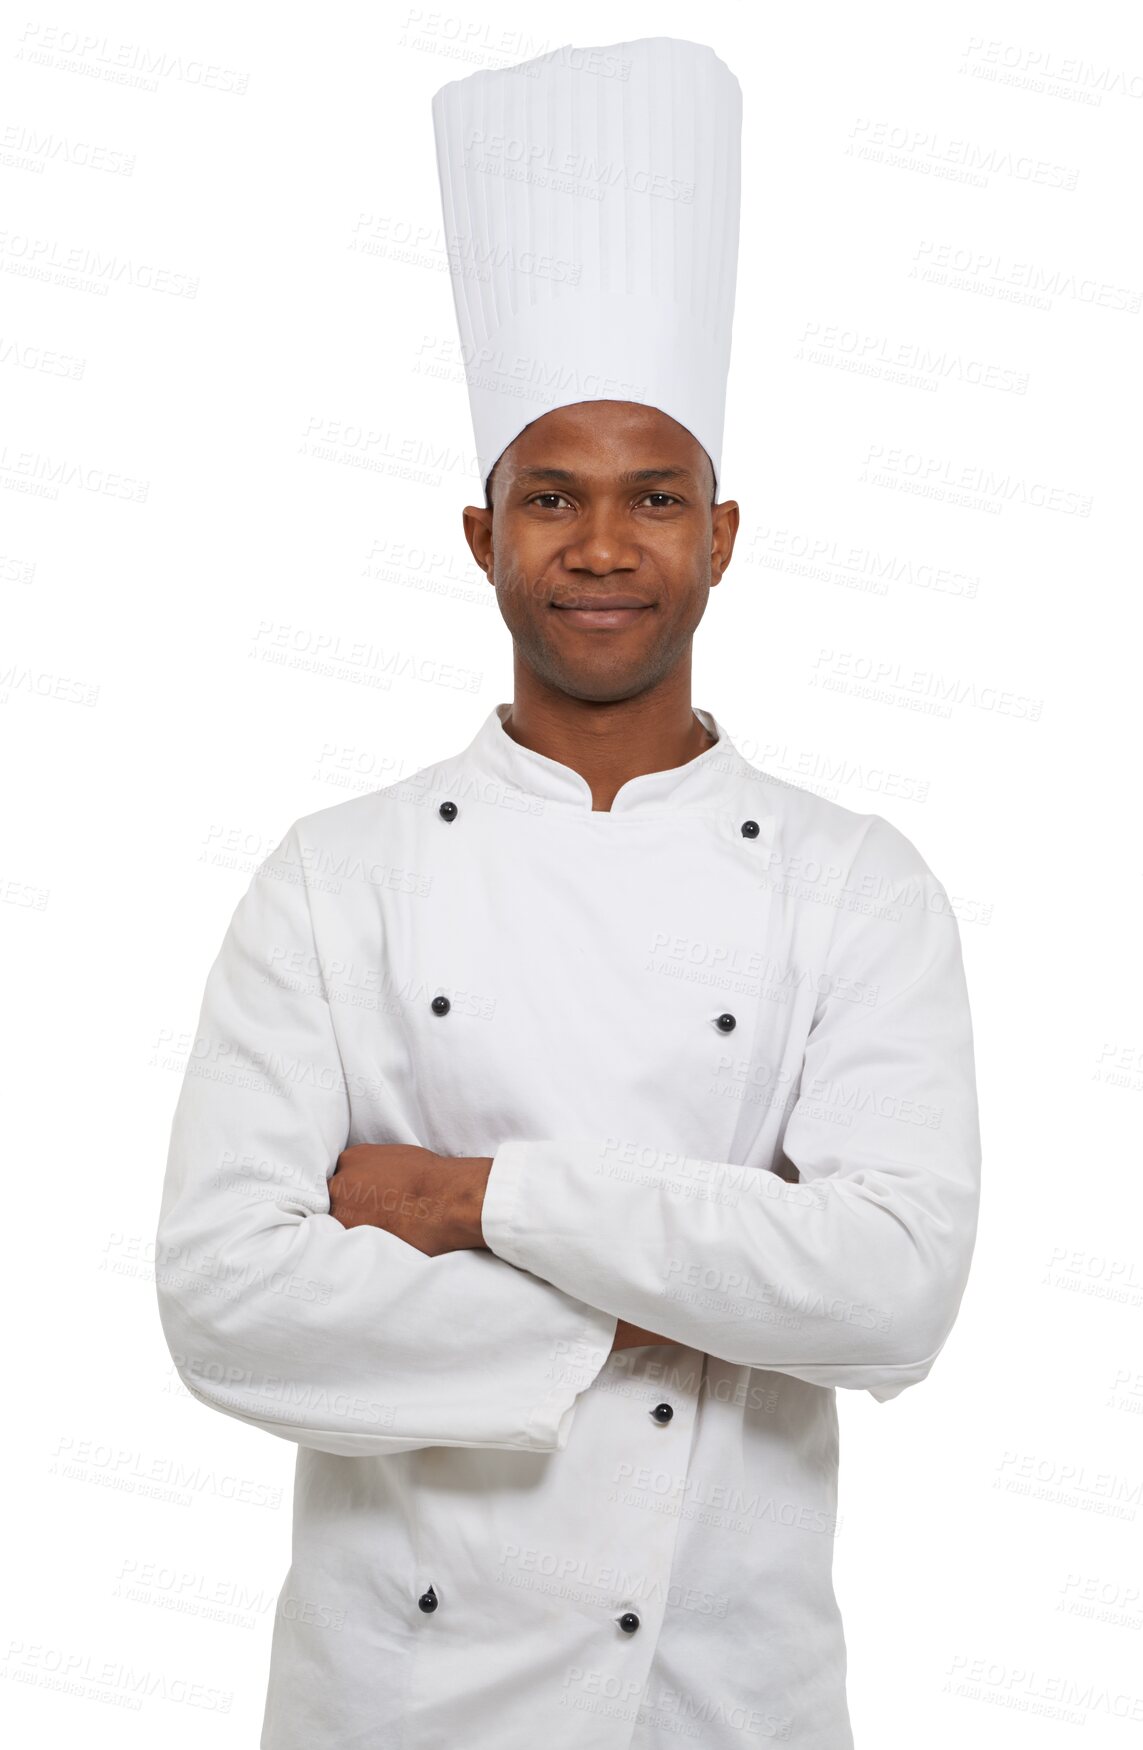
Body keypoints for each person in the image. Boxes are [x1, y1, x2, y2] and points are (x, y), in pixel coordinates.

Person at [154, 37, 981, 1749]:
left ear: (723, 535)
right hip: (390, 1705)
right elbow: (225, 1305)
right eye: (554, 495)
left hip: (721, 1703)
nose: (602, 546)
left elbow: (892, 1287)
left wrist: (473, 1199)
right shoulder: (337, 878)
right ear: (483, 535)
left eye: (652, 497)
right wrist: (704, 1286)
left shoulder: (857, 888)